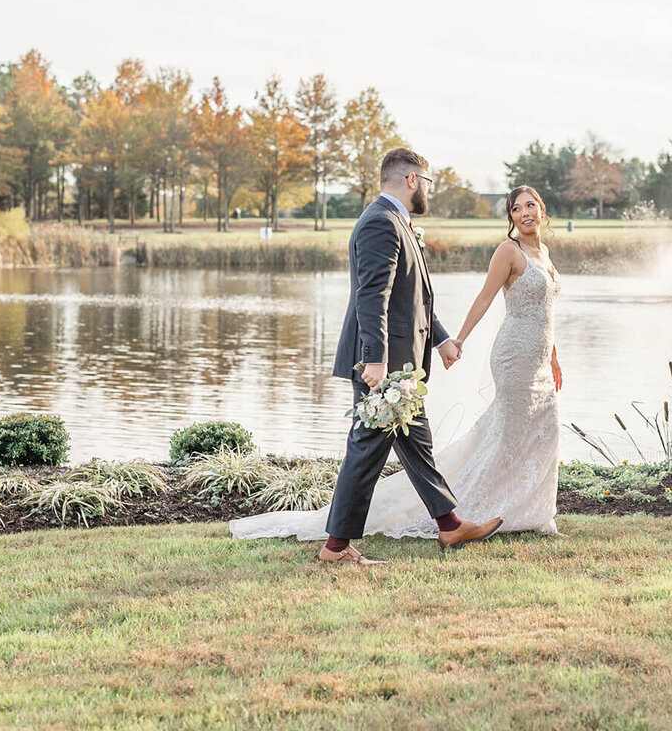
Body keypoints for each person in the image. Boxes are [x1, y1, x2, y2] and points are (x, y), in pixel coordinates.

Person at [229, 179, 562, 554]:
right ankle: (336, 546)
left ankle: (449, 525)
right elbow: (373, 295)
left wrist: (442, 340)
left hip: (403, 364)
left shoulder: (398, 221)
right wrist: (375, 359)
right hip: (384, 365)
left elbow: (417, 298)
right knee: (367, 448)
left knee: (418, 446)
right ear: (410, 180)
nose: (524, 213)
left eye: (530, 205)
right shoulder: (380, 223)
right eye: (425, 180)